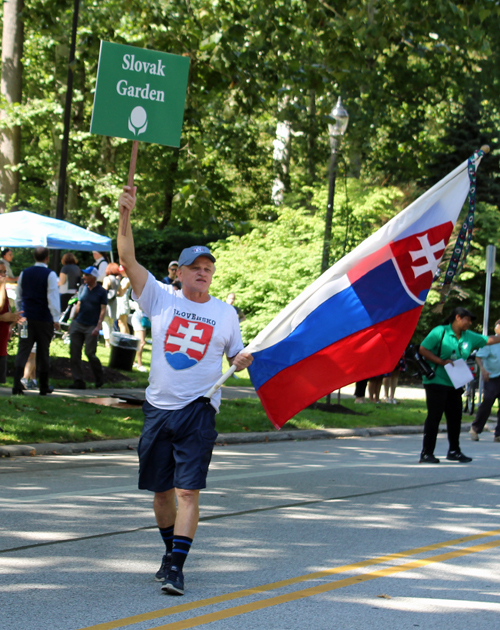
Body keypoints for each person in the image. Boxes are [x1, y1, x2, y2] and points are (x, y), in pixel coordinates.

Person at [117, 185, 253, 597]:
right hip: (159, 409)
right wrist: (125, 214)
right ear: (180, 271)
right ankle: (168, 552)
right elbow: (127, 258)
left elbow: (237, 355)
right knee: (161, 494)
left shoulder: (225, 313)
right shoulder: (160, 298)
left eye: (209, 267)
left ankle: (177, 567)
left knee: (187, 490)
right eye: (195, 266)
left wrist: (242, 361)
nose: (203, 272)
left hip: (198, 410)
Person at [418, 307, 500, 464]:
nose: (469, 323)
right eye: (467, 319)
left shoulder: (468, 336)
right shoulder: (440, 332)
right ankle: (427, 453)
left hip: (455, 382)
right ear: (457, 318)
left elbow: (488, 340)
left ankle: (454, 451)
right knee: (434, 417)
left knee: (455, 417)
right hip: (436, 380)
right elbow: (423, 349)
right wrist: (441, 361)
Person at [12, 247, 60, 395]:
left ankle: (16, 385)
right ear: (47, 258)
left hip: (25, 318)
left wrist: (20, 312)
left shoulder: (24, 273)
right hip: (43, 319)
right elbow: (52, 298)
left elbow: (18, 296)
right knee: (43, 351)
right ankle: (44, 386)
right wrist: (56, 318)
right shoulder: (50, 274)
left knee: (23, 349)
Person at [69, 266, 107, 390]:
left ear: (93, 277)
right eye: (84, 275)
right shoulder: (82, 288)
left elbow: (103, 310)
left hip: (91, 325)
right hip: (78, 323)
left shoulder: (101, 291)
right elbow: (78, 305)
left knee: (90, 353)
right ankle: (78, 381)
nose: (83, 277)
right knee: (74, 353)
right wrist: (72, 321)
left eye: (86, 275)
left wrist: (98, 325)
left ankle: (99, 377)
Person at [470, 319, 500, 443]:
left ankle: (498, 434)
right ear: (496, 328)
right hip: (492, 376)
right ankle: (476, 428)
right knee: (488, 401)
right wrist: (482, 369)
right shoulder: (491, 341)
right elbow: (479, 356)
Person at [0, 261, 22, 383]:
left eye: (4, 272)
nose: (3, 275)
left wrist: (13, 319)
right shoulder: (1, 289)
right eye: (0, 272)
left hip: (2, 344)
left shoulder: (3, 291)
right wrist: (3, 318)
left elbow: (5, 311)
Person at [102, 262, 121, 348]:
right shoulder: (117, 280)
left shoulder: (107, 279)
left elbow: (104, 290)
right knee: (111, 323)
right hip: (114, 303)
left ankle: (107, 342)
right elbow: (120, 293)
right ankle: (111, 341)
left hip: (107, 302)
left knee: (105, 322)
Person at [130, 300, 148, 372]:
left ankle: (133, 361)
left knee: (138, 342)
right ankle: (139, 365)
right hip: (140, 317)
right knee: (141, 342)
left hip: (143, 318)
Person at [116, 265, 131, 334]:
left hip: (123, 302)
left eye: (122, 271)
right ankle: (127, 339)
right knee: (122, 322)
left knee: (122, 322)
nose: (121, 273)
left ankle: (123, 340)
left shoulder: (128, 279)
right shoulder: (125, 279)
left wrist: (117, 282)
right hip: (121, 302)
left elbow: (122, 291)